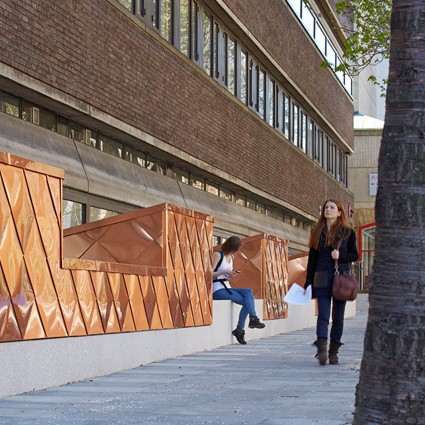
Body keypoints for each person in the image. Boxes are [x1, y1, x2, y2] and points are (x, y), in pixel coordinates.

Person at [304, 199, 358, 365]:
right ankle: (321, 346)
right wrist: (308, 282)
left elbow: (354, 255)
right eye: (326, 207)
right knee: (323, 315)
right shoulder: (317, 231)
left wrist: (340, 256)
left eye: (332, 207)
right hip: (321, 276)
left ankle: (333, 351)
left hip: (340, 277)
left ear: (339, 212)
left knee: (338, 317)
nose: (328, 210)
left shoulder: (348, 232)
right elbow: (312, 259)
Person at [212, 236, 265, 345]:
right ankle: (242, 327)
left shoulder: (231, 257)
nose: (234, 252)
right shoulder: (218, 255)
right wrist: (224, 272)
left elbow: (227, 273)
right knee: (247, 301)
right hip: (217, 289)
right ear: (229, 246)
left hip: (227, 286)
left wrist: (231, 274)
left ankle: (251, 319)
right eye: (234, 249)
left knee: (248, 292)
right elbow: (209, 274)